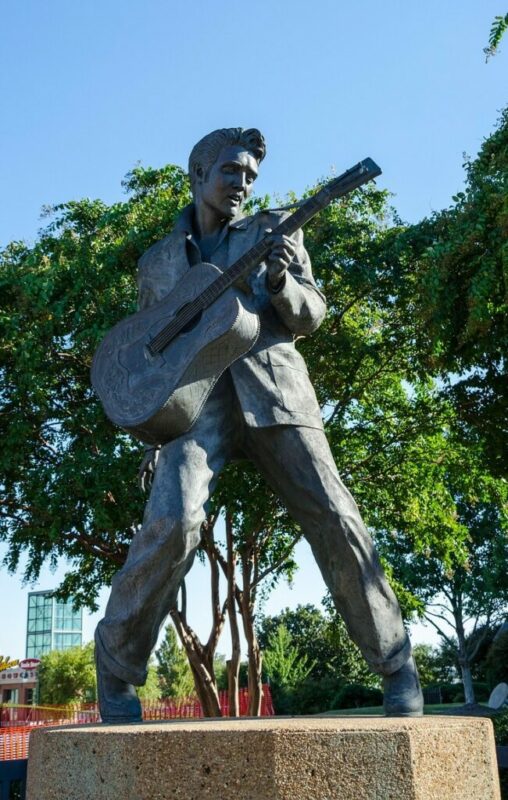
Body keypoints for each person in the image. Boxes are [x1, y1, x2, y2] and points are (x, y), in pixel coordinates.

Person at [95, 127, 423, 722]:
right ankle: (116, 670)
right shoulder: (159, 263)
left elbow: (311, 312)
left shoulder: (277, 228)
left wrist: (278, 282)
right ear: (199, 174)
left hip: (273, 387)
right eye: (231, 172)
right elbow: (152, 357)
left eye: (250, 174)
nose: (243, 183)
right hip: (196, 406)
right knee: (171, 522)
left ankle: (397, 664)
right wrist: (154, 438)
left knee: (334, 513)